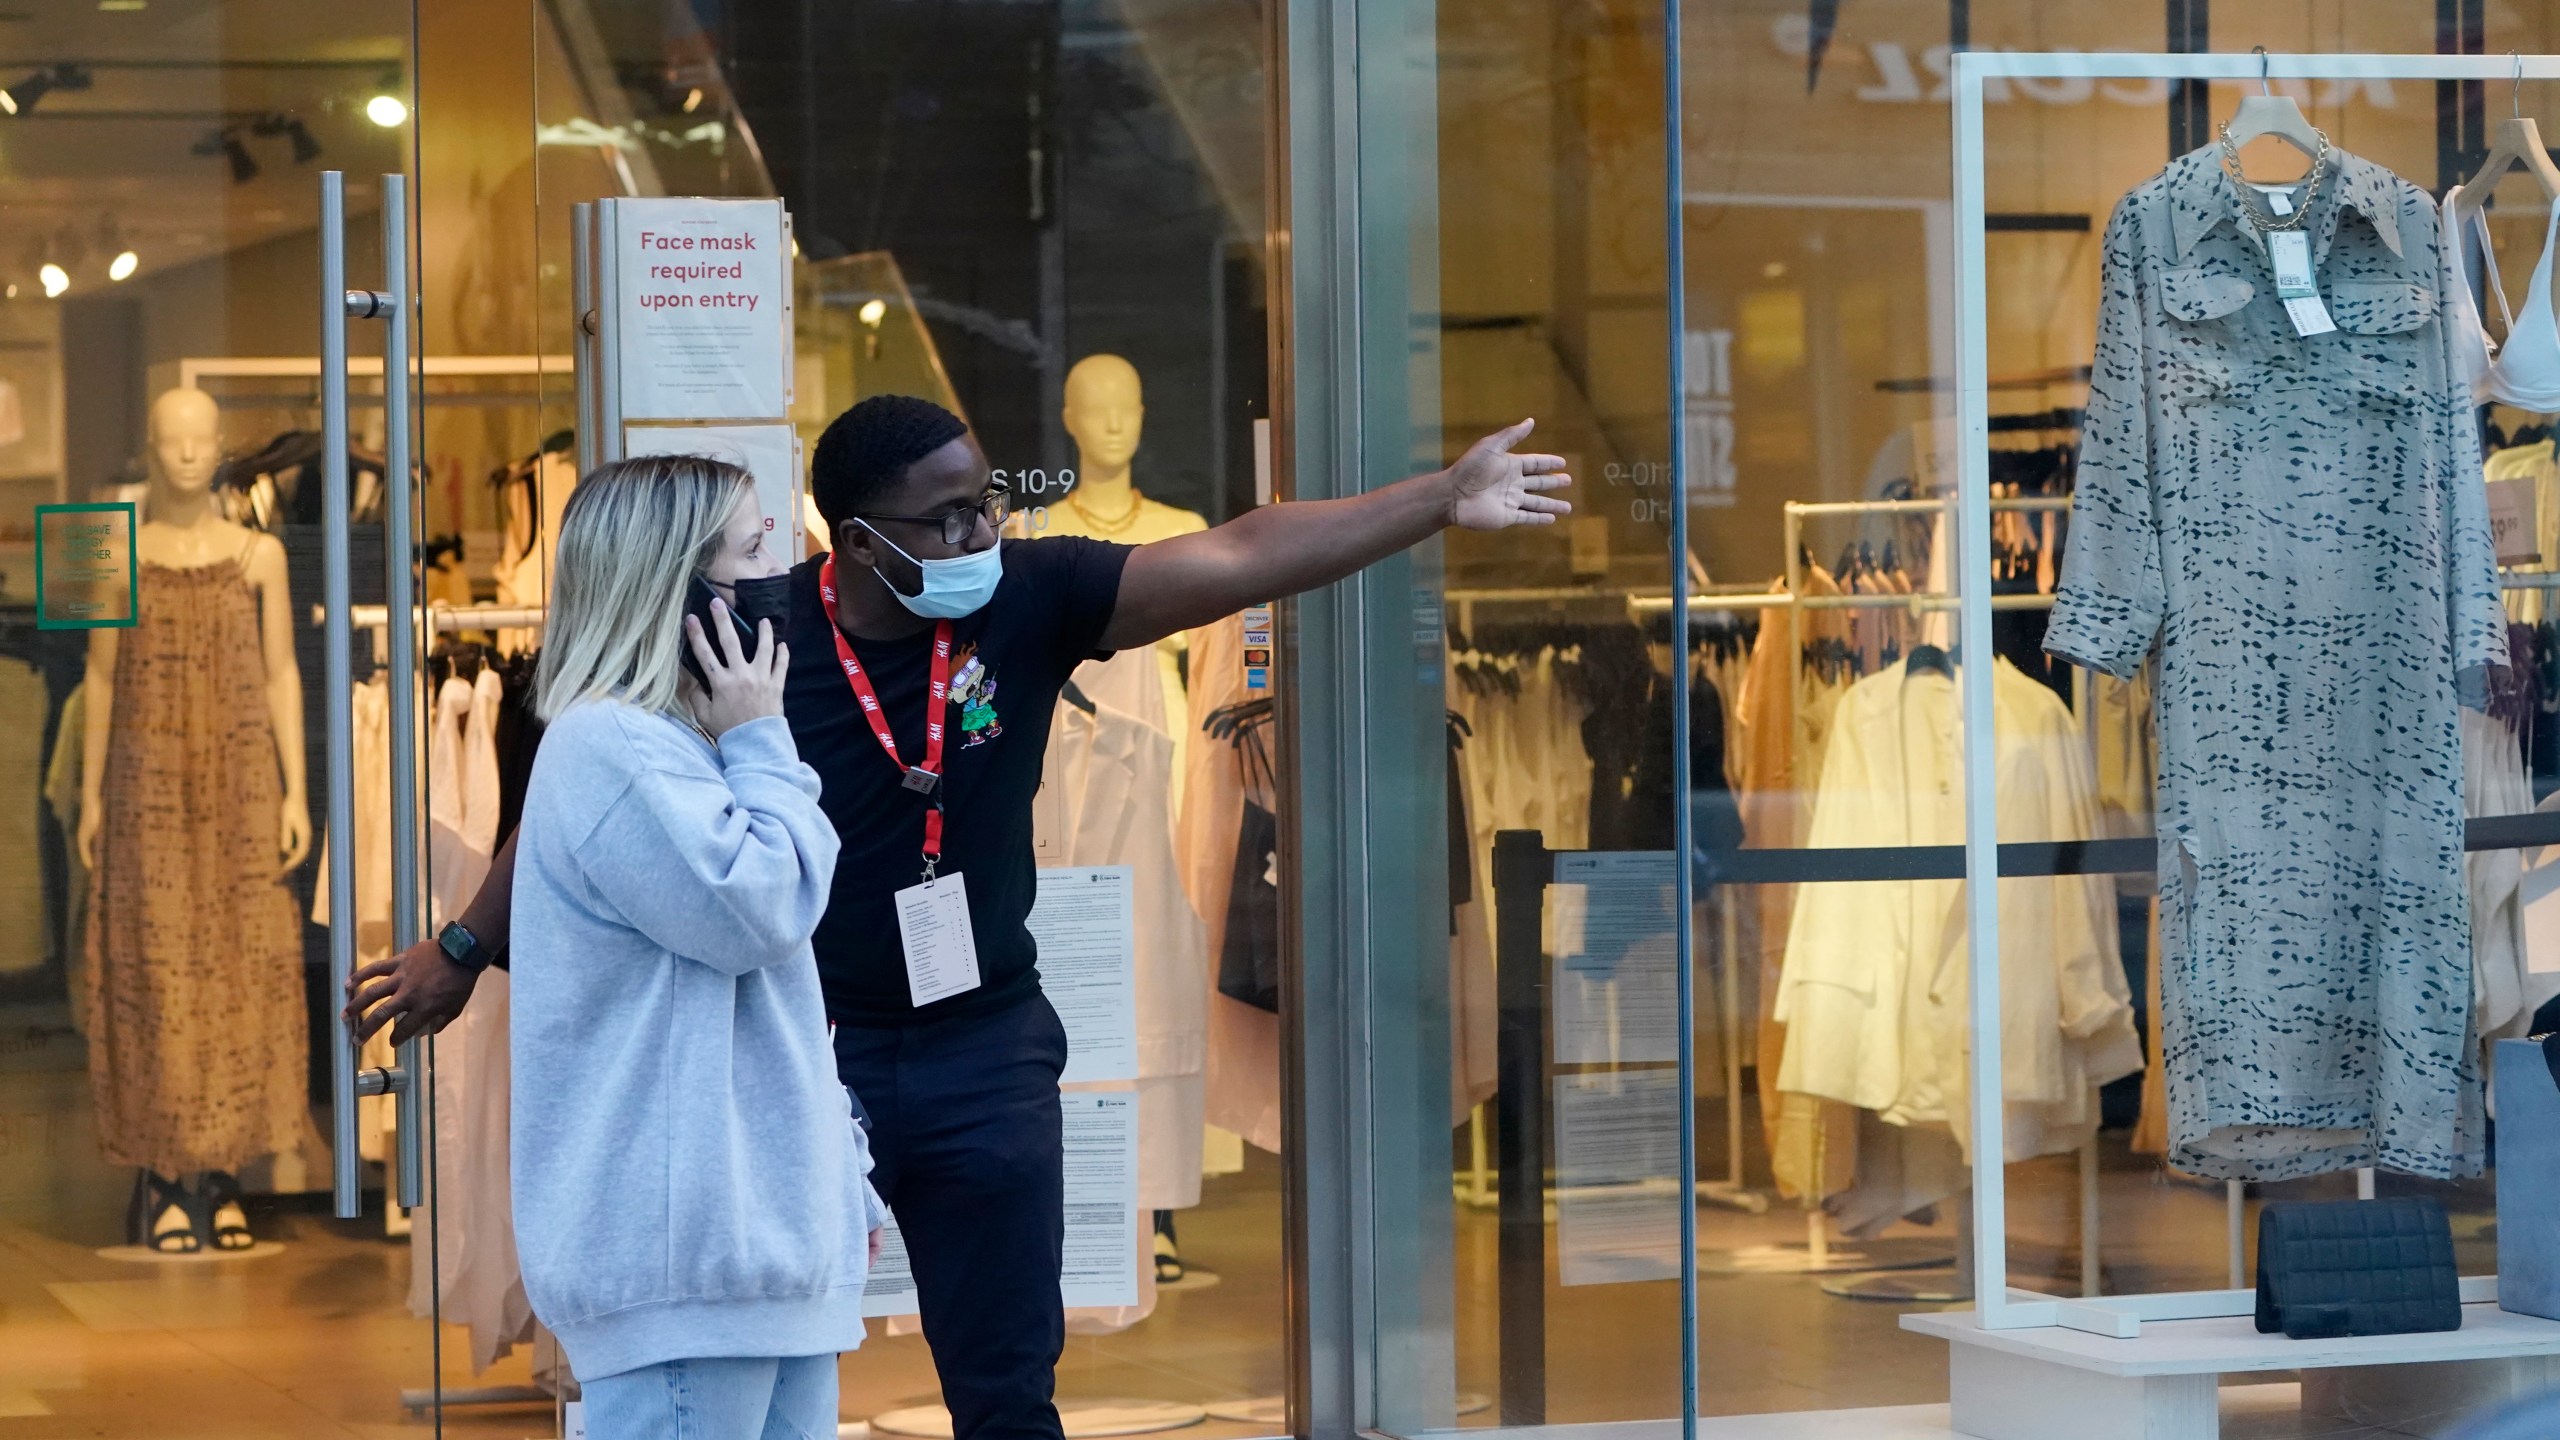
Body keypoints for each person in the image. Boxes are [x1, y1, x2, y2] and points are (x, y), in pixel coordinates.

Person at [348, 397, 1569, 1440]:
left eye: (986, 503)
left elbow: (1243, 552)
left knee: (1003, 1382)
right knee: (786, 1360)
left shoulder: (1032, 595)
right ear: (856, 536)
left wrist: (1438, 499)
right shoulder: (751, 630)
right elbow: (590, 796)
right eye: (948, 517)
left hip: (982, 1047)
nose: (983, 532)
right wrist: (462, 950)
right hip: (803, 1060)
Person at [504, 454, 882, 1436]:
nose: (784, 568)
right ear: (678, 585)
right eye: (756, 548)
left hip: (752, 1263)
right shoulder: (611, 747)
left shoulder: (681, 741)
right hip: (689, 1276)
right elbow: (761, 909)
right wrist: (762, 737)